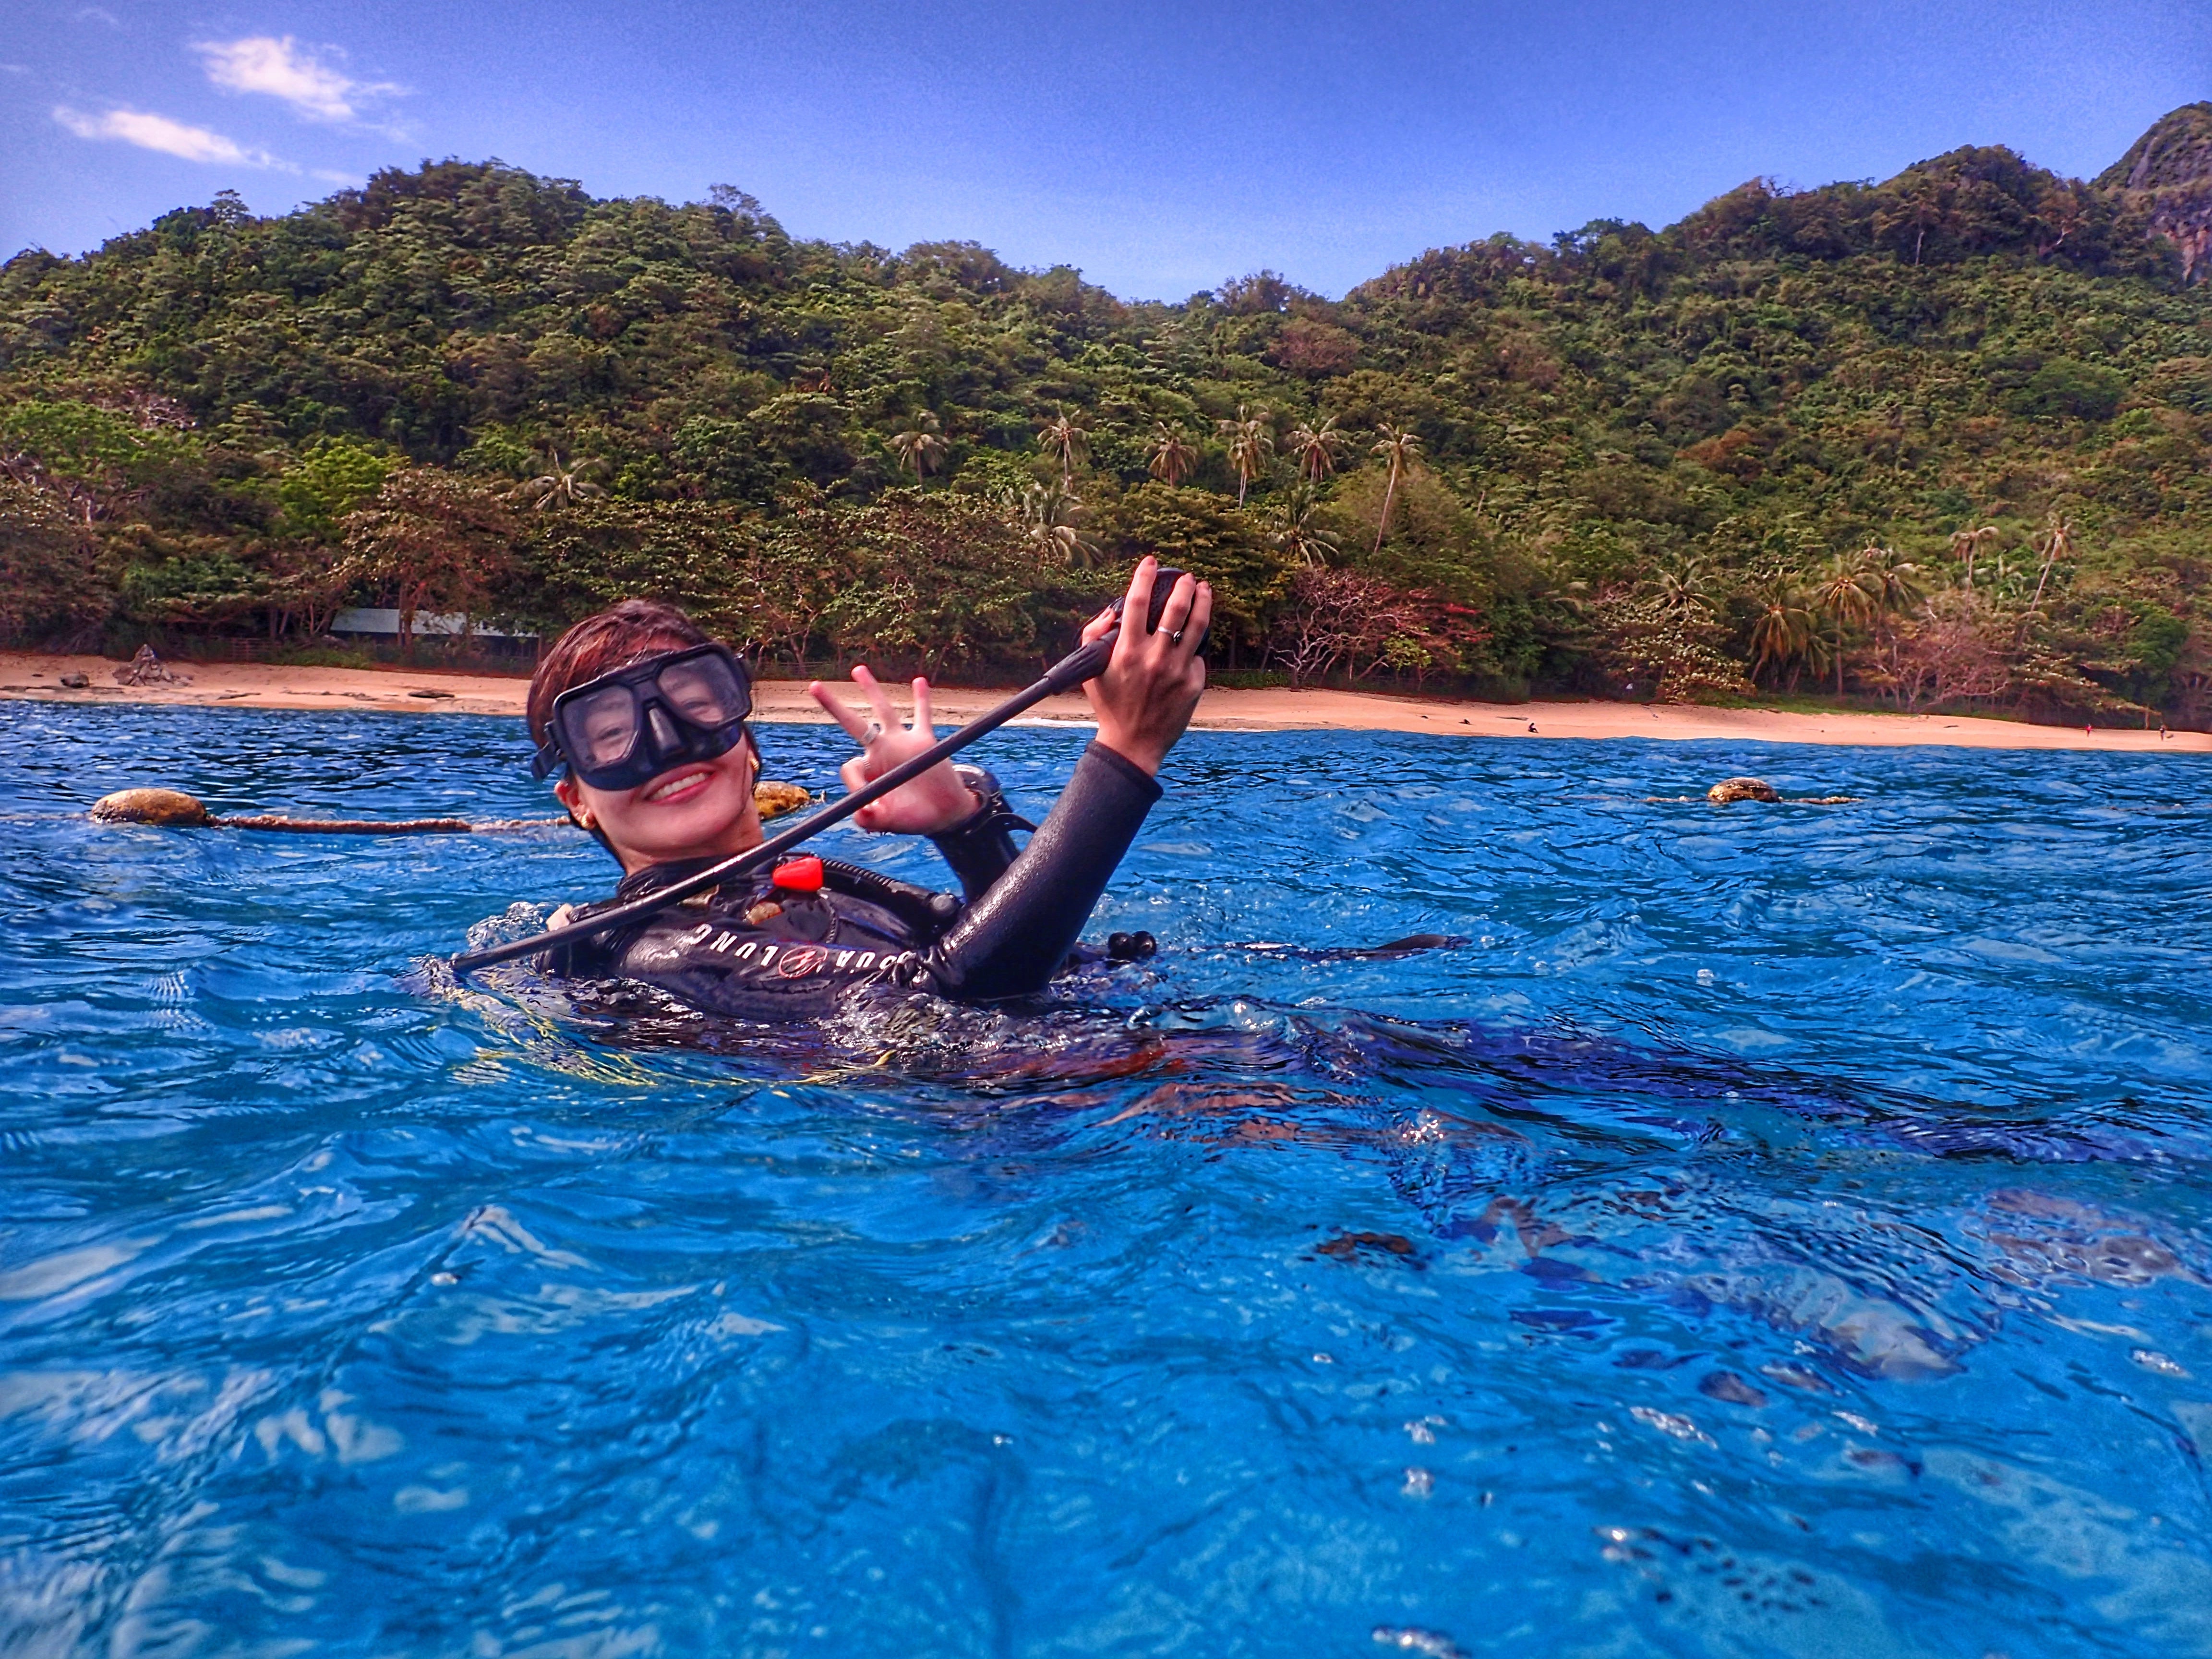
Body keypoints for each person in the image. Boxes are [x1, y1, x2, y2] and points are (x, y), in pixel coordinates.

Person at [524, 558, 1212, 1021]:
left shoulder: (815, 885)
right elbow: (953, 994)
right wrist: (1127, 750)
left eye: (693, 703)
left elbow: (1041, 965)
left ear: (750, 751)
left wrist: (965, 826)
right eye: (608, 734)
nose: (665, 746)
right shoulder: (647, 952)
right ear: (577, 801)